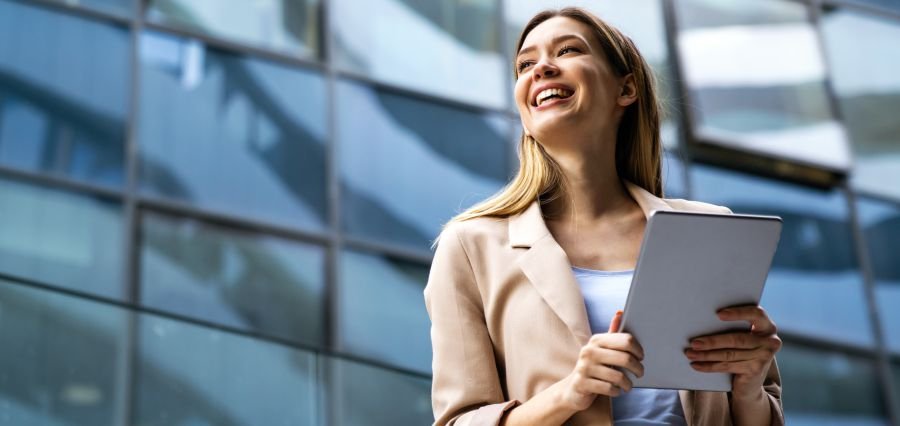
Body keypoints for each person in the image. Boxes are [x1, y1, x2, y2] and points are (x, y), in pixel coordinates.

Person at [424, 7, 784, 426]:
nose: (541, 68)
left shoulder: (709, 229)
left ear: (625, 89)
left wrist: (749, 386)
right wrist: (570, 392)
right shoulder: (472, 246)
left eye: (568, 50)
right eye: (525, 64)